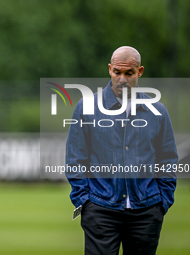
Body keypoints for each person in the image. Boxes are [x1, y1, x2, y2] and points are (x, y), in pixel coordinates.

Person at [66, 46, 178, 255]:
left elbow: (168, 159)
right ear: (110, 69)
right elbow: (75, 160)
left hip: (147, 210)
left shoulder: (158, 111)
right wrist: (85, 202)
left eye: (129, 73)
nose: (122, 79)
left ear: (140, 71)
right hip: (100, 209)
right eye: (117, 72)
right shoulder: (86, 107)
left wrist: (163, 202)